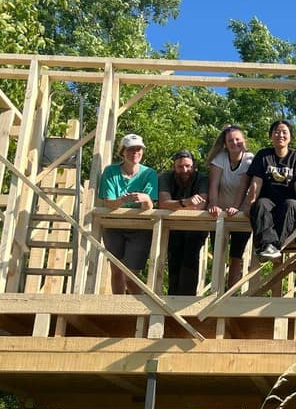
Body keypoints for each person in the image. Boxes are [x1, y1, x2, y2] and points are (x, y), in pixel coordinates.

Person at [98, 133, 158, 295]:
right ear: (123, 152)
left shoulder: (149, 174)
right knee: (116, 271)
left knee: (132, 277)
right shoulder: (111, 172)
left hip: (139, 228)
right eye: (131, 150)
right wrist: (123, 200)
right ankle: (117, 310)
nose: (135, 153)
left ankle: (136, 309)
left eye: (138, 149)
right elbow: (108, 202)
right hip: (114, 226)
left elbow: (149, 207)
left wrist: (144, 199)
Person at [246, 120, 296, 261]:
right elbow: (256, 183)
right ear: (271, 136)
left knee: (292, 205)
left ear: (290, 136)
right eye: (276, 131)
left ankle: (269, 247)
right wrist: (250, 204)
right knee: (260, 205)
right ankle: (268, 246)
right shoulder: (263, 155)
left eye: (284, 132)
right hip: (268, 200)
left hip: (288, 201)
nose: (280, 135)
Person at [207, 125, 254, 287]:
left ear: (244, 141)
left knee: (236, 256)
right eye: (230, 141)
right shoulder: (219, 158)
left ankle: (231, 293)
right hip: (219, 212)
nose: (234, 143)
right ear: (225, 144)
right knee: (218, 253)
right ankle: (216, 291)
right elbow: (213, 185)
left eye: (237, 139)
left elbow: (244, 186)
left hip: (239, 212)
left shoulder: (249, 159)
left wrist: (235, 206)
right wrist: (213, 204)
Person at [157, 149, 209, 295]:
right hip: (172, 228)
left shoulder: (202, 179)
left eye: (188, 166)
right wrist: (185, 202)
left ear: (194, 166)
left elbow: (200, 206)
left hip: (195, 228)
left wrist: (174, 206)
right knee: (174, 261)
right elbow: (163, 203)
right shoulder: (166, 177)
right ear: (174, 167)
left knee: (190, 260)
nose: (184, 170)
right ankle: (172, 298)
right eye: (180, 166)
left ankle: (187, 300)